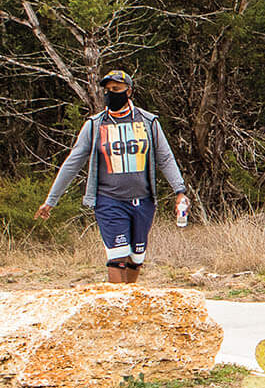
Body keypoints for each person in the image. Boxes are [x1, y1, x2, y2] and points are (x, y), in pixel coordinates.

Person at [37, 70, 190, 284]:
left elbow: (165, 157)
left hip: (143, 201)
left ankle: (129, 302)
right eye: (107, 90)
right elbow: (73, 163)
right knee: (117, 257)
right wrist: (51, 200)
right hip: (109, 201)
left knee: (136, 258)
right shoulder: (95, 125)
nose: (111, 94)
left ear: (129, 91)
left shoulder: (148, 122)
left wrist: (179, 191)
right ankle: (116, 307)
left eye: (116, 90)